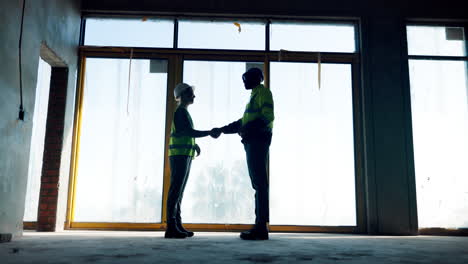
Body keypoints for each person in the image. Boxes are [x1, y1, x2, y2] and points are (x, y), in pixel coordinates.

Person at [220, 68, 274, 240]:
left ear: (257, 78)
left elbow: (267, 116)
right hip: (253, 141)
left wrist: (247, 128)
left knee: (260, 183)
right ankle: (260, 225)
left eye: (246, 78)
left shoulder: (263, 93)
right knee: (258, 183)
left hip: (258, 141)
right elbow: (243, 123)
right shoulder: (254, 97)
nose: (244, 81)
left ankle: (261, 227)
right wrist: (222, 130)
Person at [165, 83, 221, 239]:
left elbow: (184, 134)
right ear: (182, 95)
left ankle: (177, 225)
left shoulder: (183, 112)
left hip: (185, 154)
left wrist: (194, 144)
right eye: (190, 94)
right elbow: (188, 131)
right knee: (176, 190)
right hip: (179, 155)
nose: (194, 96)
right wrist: (209, 132)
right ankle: (171, 227)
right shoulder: (180, 112)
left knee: (179, 192)